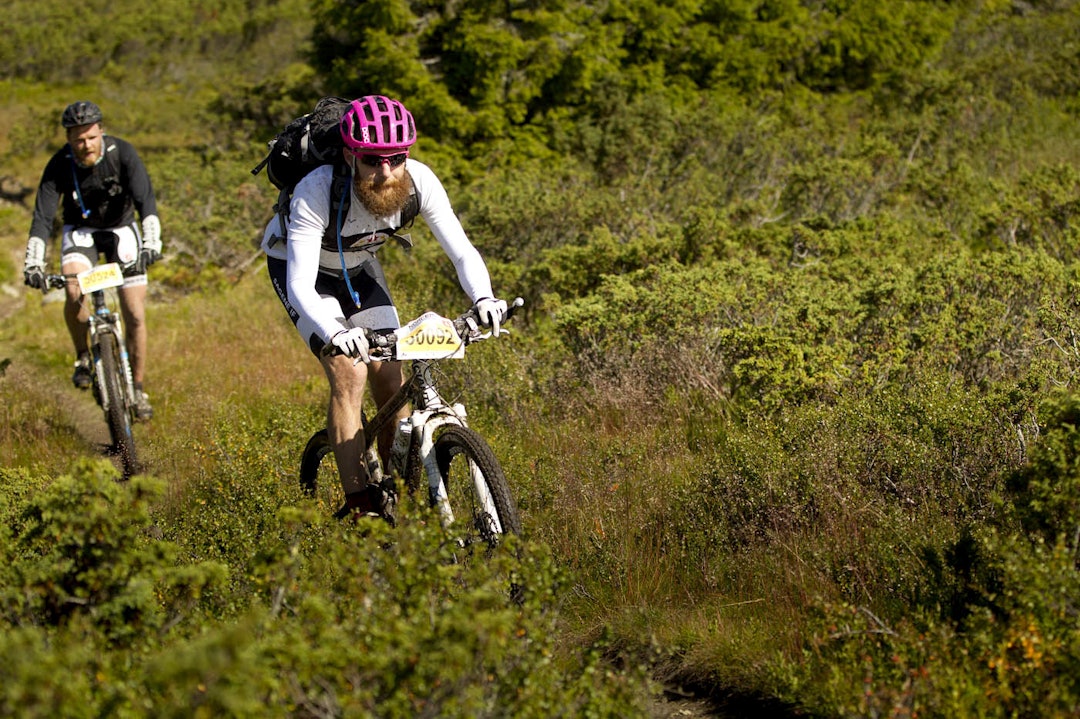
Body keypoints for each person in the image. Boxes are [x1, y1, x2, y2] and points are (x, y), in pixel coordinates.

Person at [261, 95, 508, 520]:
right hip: (302, 271)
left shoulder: (420, 181)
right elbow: (300, 283)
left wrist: (483, 299)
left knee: (391, 377)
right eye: (373, 160)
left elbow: (463, 252)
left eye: (396, 159)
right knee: (350, 371)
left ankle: (401, 492)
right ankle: (361, 504)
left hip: (358, 267)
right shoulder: (317, 189)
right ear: (349, 155)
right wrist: (338, 335)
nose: (385, 171)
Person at [23, 101, 163, 420]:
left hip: (121, 229)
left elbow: (146, 201)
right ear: (69, 138)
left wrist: (152, 243)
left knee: (135, 313)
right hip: (81, 231)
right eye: (77, 140)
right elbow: (43, 217)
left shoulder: (122, 153)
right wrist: (33, 262)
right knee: (74, 293)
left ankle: (138, 388)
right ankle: (83, 355)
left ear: (101, 130)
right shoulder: (59, 164)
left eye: (90, 137)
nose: (85, 145)